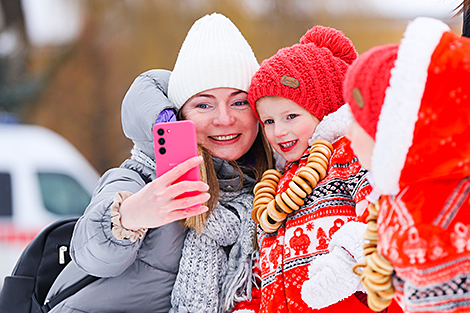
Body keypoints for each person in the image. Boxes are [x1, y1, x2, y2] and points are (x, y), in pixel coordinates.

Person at [45, 13, 273, 313]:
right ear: (181, 115)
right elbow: (89, 252)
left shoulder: (270, 189)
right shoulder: (144, 175)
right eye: (203, 104)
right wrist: (130, 216)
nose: (224, 118)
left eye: (239, 101)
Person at [239, 25, 383, 313]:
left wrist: (347, 261)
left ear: (324, 109)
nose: (279, 132)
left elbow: (383, 215)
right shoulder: (277, 184)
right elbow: (266, 267)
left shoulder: (348, 154)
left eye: (290, 116)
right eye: (268, 121)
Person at [344, 17, 470, 313]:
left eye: (356, 121)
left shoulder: (430, 222)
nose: (347, 133)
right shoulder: (411, 193)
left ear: (388, 127)